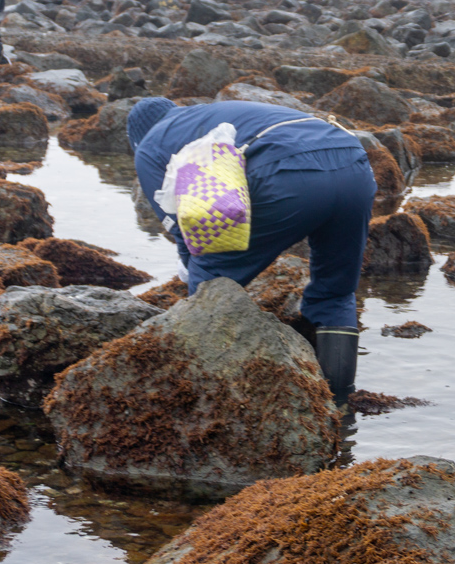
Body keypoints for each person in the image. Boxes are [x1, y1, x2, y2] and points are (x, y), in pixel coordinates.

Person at [127, 98, 377, 401]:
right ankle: (340, 403)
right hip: (354, 163)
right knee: (336, 293)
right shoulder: (208, 112)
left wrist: (195, 274)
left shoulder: (149, 146)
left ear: (135, 138)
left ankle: (216, 399)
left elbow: (188, 226)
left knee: (212, 285)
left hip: (287, 174)